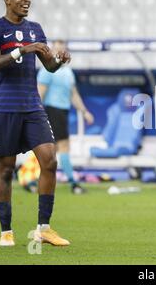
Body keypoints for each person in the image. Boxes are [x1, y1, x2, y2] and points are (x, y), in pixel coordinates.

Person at [0, 0, 71, 247]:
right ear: (7, 0)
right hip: (5, 107)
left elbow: (49, 66)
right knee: (6, 171)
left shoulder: (36, 30)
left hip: (33, 106)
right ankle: (6, 231)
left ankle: (43, 228)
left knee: (50, 161)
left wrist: (58, 61)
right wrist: (21, 50)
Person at [37, 40, 94, 194]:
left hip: (62, 112)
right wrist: (36, 114)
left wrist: (84, 111)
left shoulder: (68, 72)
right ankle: (73, 184)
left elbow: (73, 94)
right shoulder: (46, 70)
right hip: (51, 111)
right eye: (57, 48)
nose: (60, 51)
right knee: (61, 147)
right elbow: (39, 94)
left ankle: (42, 182)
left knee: (53, 150)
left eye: (62, 48)